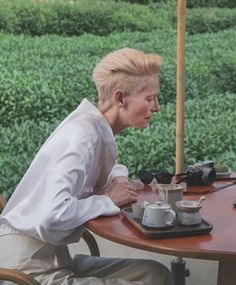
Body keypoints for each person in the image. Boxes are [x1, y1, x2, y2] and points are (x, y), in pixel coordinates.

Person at [0, 48, 174, 285]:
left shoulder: (92, 127)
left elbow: (100, 167)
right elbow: (52, 217)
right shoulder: (81, 137)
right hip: (26, 269)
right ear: (120, 98)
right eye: (150, 98)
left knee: (155, 273)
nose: (157, 107)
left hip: (53, 257)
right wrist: (107, 201)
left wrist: (119, 177)